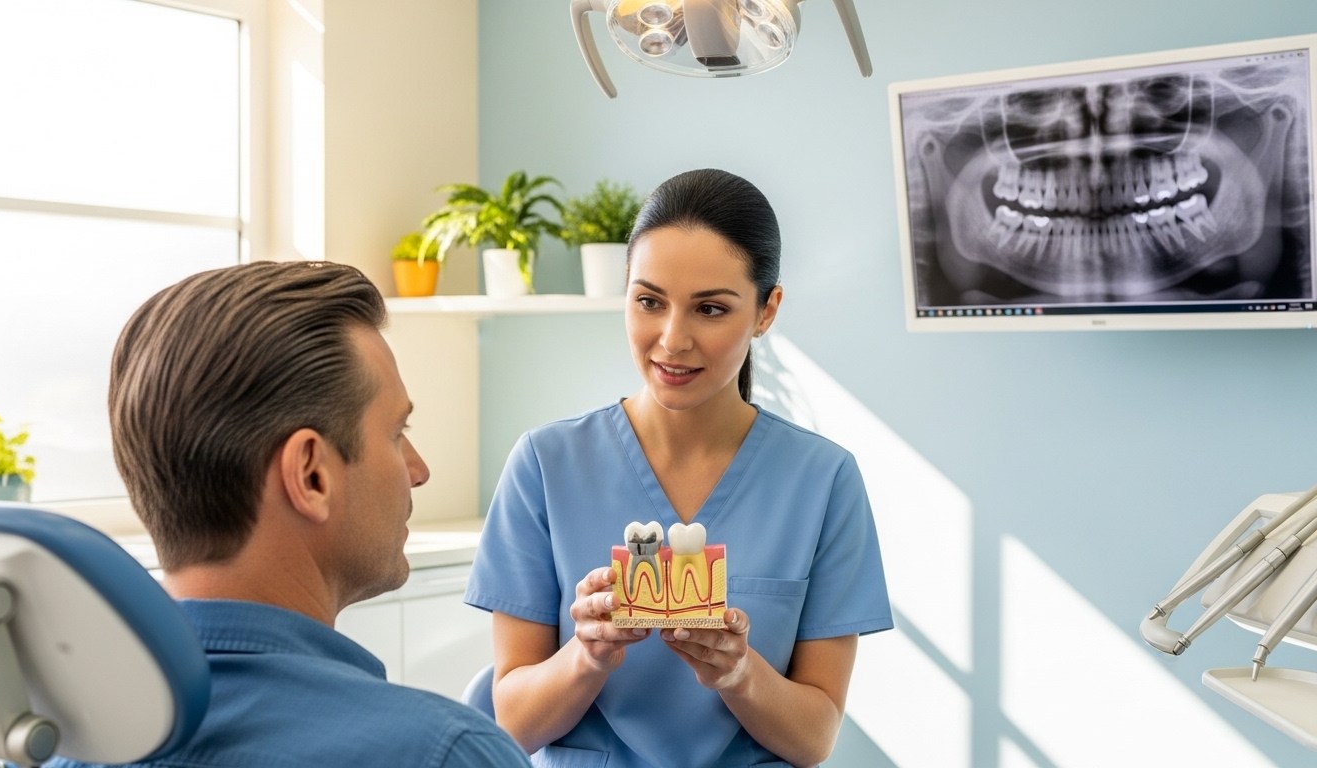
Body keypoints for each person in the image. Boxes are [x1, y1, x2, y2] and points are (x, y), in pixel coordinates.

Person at [464, 169, 893, 767]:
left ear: (766, 311)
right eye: (649, 301)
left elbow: (815, 738)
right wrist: (585, 655)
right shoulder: (544, 465)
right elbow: (509, 724)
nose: (672, 339)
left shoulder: (823, 482)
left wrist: (739, 671)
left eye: (710, 309)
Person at [51, 261, 531, 768]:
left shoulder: (57, 749)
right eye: (396, 434)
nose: (418, 470)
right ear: (311, 475)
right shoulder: (442, 753)